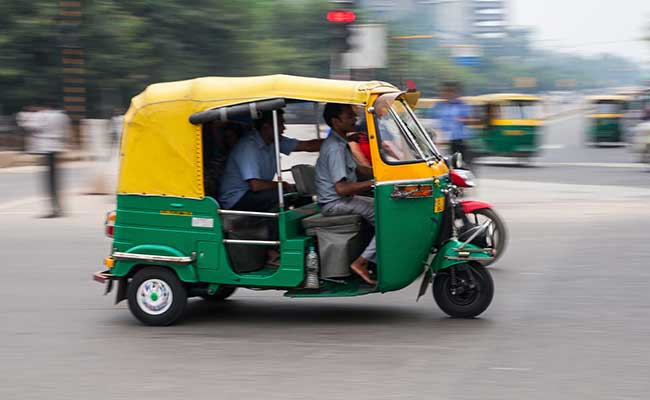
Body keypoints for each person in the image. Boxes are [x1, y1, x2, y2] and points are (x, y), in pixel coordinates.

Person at [315, 103, 377, 285]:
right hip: (335, 203)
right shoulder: (335, 148)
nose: (355, 119)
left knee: (383, 205)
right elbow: (341, 189)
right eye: (349, 116)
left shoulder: (342, 143)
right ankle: (361, 262)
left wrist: (385, 173)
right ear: (336, 121)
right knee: (386, 217)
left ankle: (371, 260)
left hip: (344, 199)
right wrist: (374, 183)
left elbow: (358, 170)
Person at [217, 109, 322, 212]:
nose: (284, 128)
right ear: (266, 127)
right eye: (280, 124)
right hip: (237, 199)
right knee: (280, 196)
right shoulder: (249, 147)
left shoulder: (274, 141)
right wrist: (282, 184)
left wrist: (335, 140)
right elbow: (256, 185)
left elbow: (307, 146)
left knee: (302, 192)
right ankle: (277, 229)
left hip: (256, 193)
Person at [17, 103, 70, 218]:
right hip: (56, 148)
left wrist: (25, 119)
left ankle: (52, 209)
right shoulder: (62, 116)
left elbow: (31, 127)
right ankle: (59, 208)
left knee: (48, 182)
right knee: (56, 180)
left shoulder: (42, 115)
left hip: (45, 149)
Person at [430, 82, 475, 166]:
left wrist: (462, 120)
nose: (446, 94)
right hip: (442, 140)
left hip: (458, 139)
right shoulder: (439, 105)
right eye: (445, 92)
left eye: (450, 91)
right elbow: (434, 121)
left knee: (459, 164)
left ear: (455, 93)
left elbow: (470, 119)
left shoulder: (461, 105)